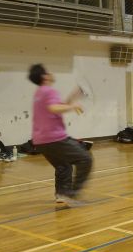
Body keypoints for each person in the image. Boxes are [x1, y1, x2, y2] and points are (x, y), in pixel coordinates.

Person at [28, 64, 93, 206]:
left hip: (40, 141)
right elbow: (54, 108)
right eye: (48, 71)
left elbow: (58, 105)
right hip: (54, 138)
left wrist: (74, 95)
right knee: (85, 159)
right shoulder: (49, 91)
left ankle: (61, 195)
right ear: (44, 76)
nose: (51, 73)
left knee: (63, 165)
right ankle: (72, 194)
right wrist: (73, 106)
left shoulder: (39, 93)